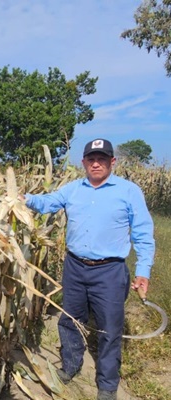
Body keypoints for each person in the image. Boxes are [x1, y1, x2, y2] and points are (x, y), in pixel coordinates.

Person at [21, 138, 155, 400]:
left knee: (109, 328)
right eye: (91, 159)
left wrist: (143, 271)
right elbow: (47, 202)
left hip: (110, 270)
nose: (96, 163)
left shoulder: (129, 191)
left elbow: (143, 234)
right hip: (75, 266)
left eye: (102, 159)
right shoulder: (72, 189)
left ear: (112, 162)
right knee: (70, 320)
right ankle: (70, 367)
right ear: (83, 162)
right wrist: (23, 198)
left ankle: (106, 385)